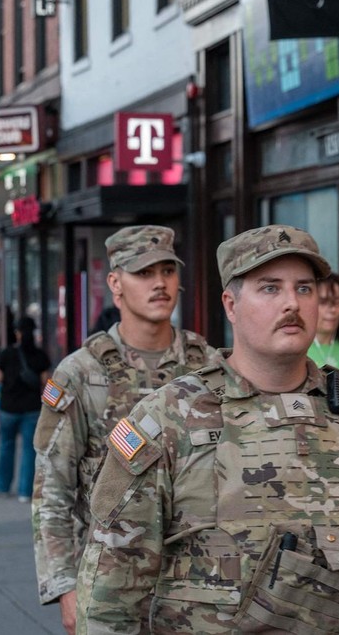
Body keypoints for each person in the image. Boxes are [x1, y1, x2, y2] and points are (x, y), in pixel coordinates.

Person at [73, 224, 339, 633]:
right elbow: (110, 593)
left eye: (305, 289)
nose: (292, 303)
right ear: (231, 305)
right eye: (270, 288)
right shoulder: (169, 418)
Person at [32, 225, 214, 634]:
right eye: (144, 273)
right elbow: (52, 489)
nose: (159, 283)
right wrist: (64, 586)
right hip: (109, 584)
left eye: (168, 271)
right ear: (115, 283)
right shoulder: (81, 373)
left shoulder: (209, 367)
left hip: (199, 584)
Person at [0, 316, 51, 502]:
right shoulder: (40, 355)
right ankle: (25, 491)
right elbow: (46, 382)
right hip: (31, 409)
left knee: (6, 446)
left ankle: (2, 486)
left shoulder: (6, 354)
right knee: (29, 450)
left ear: (17, 333)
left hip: (8, 408)